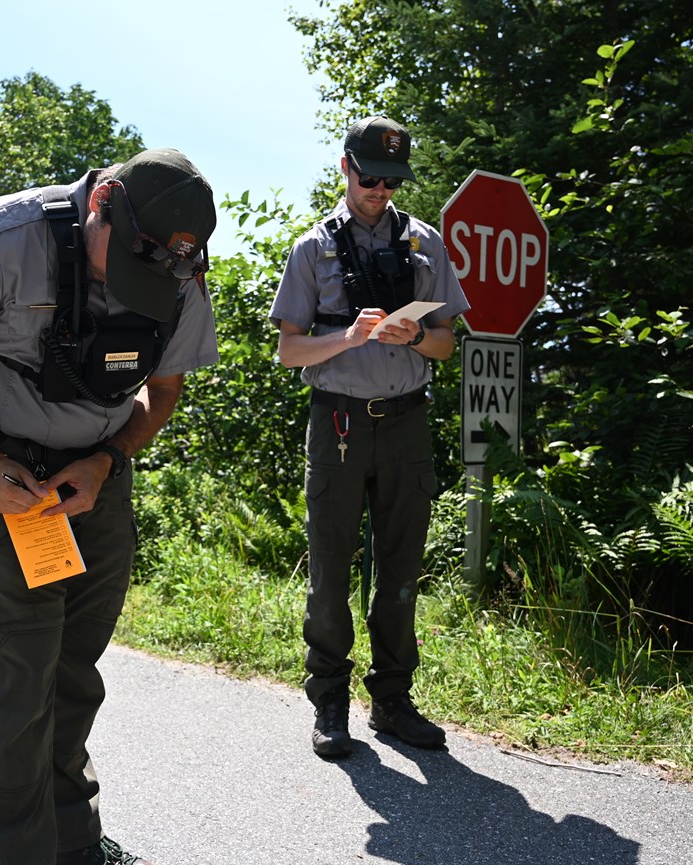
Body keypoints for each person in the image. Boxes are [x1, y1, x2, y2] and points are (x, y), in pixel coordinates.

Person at [0, 149, 218, 865]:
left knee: (76, 670)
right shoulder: (1, 240)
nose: (131, 288)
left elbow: (162, 393)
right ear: (100, 202)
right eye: (126, 267)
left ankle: (76, 843)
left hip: (98, 478)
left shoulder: (180, 274)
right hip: (6, 477)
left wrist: (106, 461)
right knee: (20, 681)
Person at [269, 116, 470, 758]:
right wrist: (349, 338)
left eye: (392, 180)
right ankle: (329, 698)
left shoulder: (426, 244)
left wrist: (415, 335)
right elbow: (289, 352)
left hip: (406, 421)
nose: (381, 190)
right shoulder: (312, 250)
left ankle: (392, 700)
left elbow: (446, 343)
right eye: (370, 177)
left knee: (401, 568)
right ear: (345, 168)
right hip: (338, 425)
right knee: (330, 568)